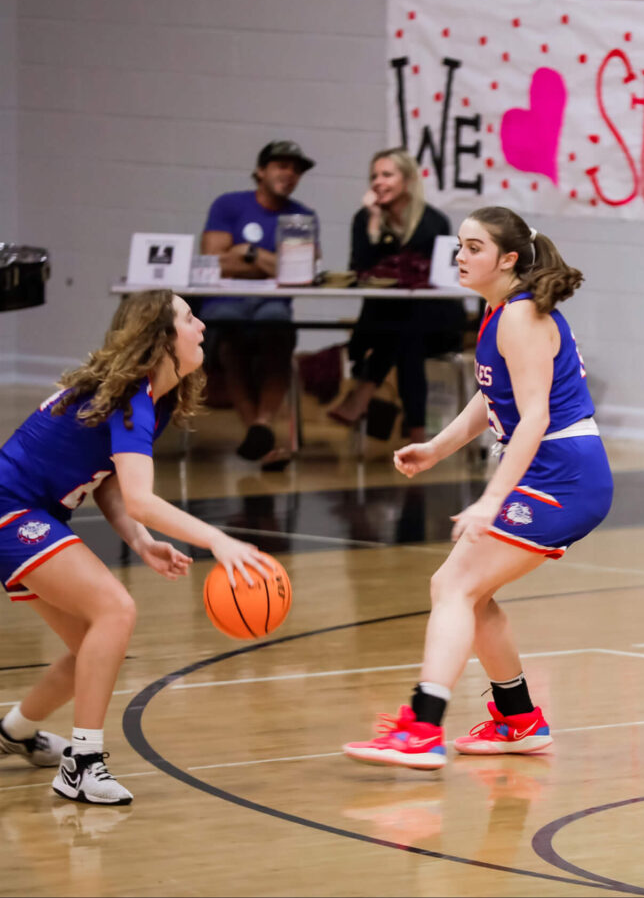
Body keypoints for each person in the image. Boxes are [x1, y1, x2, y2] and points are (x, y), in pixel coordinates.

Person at [342, 206, 612, 769]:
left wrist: (491, 499)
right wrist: (436, 448)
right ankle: (517, 719)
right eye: (459, 246)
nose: (460, 257)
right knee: (469, 591)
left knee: (453, 587)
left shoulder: (520, 317)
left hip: (564, 473)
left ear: (507, 259)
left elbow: (534, 418)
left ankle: (421, 728)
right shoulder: (500, 313)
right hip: (553, 470)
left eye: (473, 248)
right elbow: (492, 395)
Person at [0, 290, 274, 804]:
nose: (202, 327)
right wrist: (219, 539)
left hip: (29, 513)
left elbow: (108, 482)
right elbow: (142, 499)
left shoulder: (157, 397)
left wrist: (140, 541)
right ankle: (81, 764)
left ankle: (12, 732)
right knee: (115, 610)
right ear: (160, 339)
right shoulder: (131, 397)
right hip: (10, 510)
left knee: (93, 647)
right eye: (189, 318)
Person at [327, 148, 465, 443]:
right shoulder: (364, 219)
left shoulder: (434, 221)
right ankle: (417, 431)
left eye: (387, 174)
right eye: (374, 176)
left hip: (437, 319)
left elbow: (438, 277)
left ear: (408, 180)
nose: (378, 182)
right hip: (392, 322)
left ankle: (363, 394)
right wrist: (375, 222)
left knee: (406, 327)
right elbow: (361, 269)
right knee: (406, 338)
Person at [199, 140, 318, 469]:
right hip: (225, 300)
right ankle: (259, 429)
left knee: (278, 334)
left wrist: (247, 252)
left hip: (272, 301)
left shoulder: (302, 216)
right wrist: (275, 262)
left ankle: (259, 427)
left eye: (296, 170)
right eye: (282, 166)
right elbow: (214, 261)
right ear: (260, 171)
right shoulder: (228, 205)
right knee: (231, 340)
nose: (290, 174)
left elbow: (301, 270)